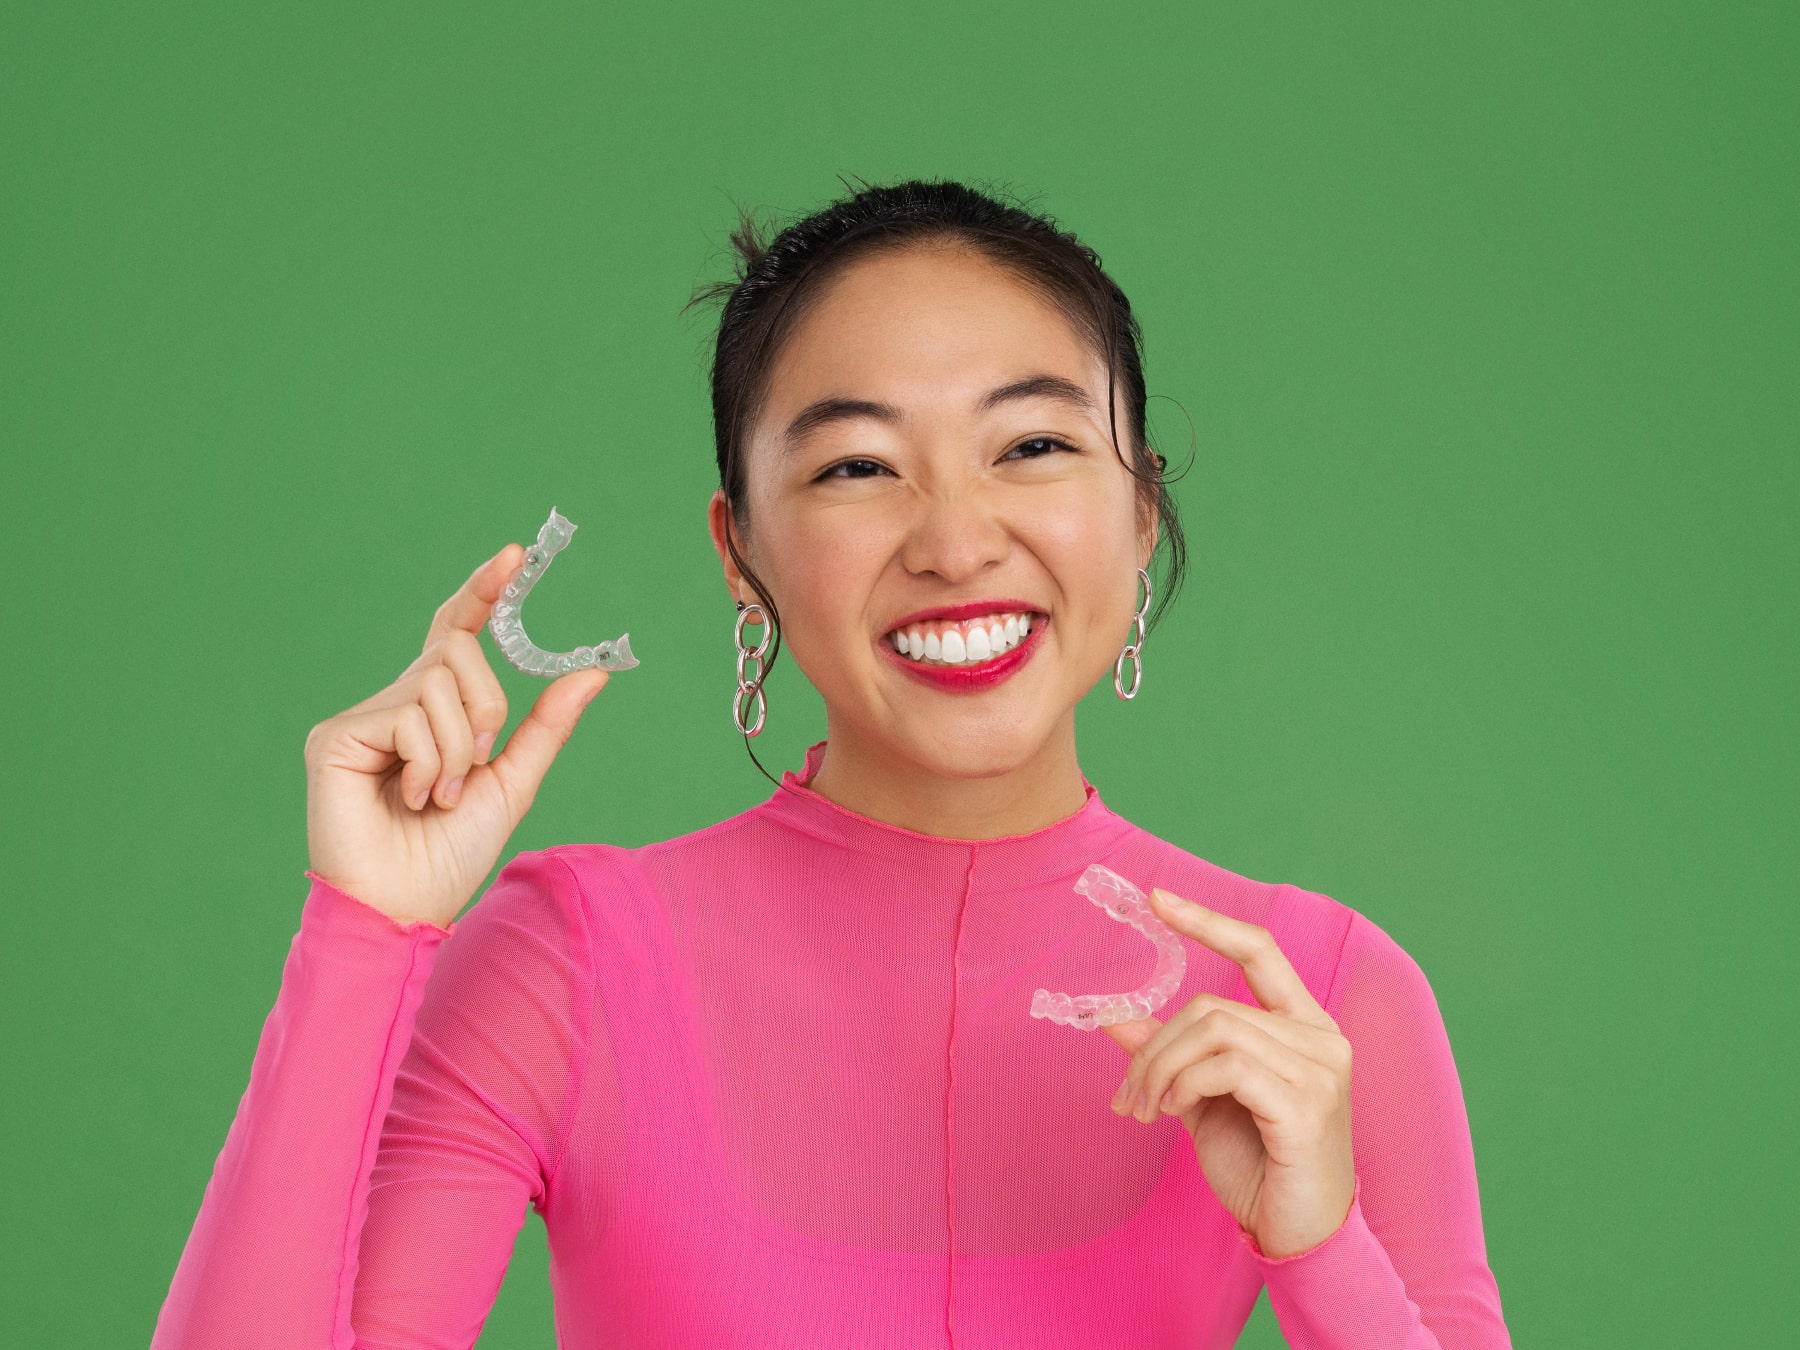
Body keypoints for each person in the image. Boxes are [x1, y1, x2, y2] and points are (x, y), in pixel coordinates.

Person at [151, 178, 1512, 1349]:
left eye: (1031, 445)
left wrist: (1324, 1250)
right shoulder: (566, 961)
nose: (956, 537)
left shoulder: (1320, 1000)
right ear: (740, 552)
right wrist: (366, 930)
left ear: (1141, 510)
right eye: (859, 467)